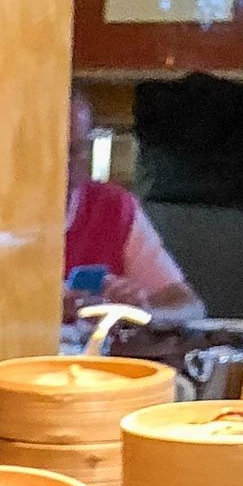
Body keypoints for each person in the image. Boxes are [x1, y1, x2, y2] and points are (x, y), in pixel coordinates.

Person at [64, 85, 203, 320]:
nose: (65, 163)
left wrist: (134, 312)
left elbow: (189, 306)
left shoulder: (113, 208)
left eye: (76, 150)